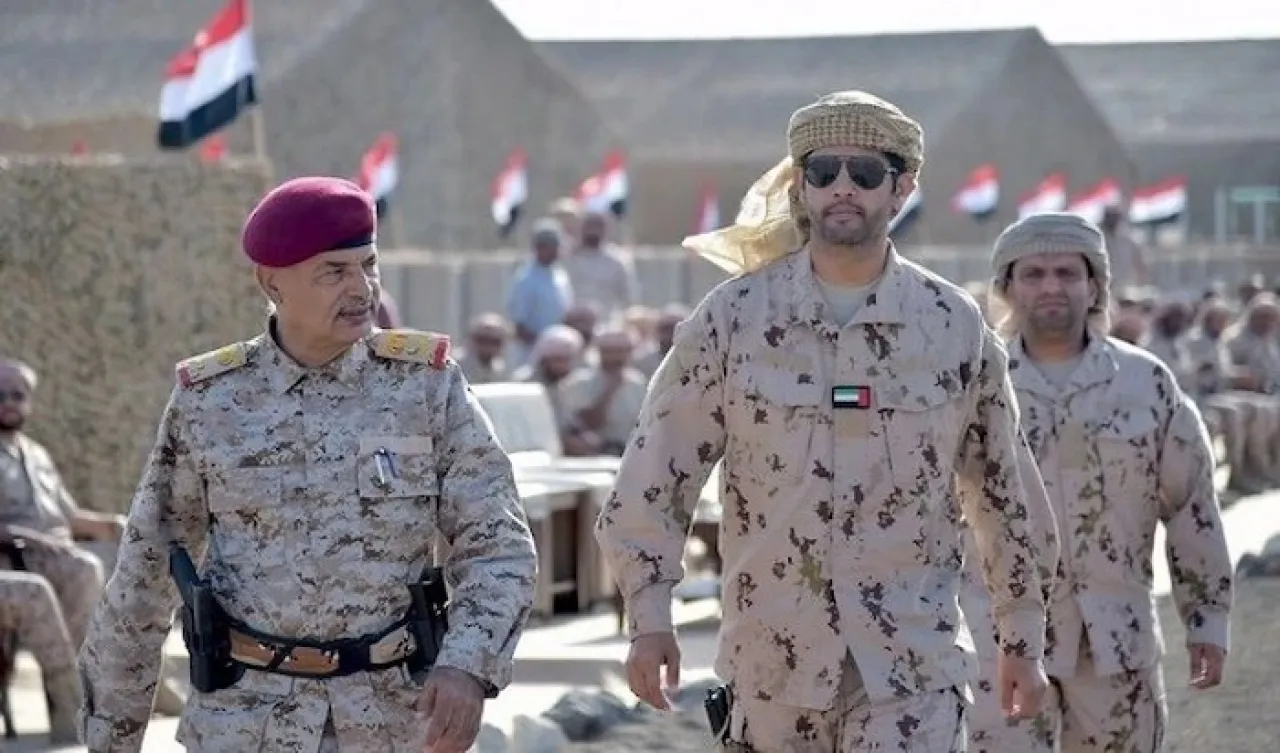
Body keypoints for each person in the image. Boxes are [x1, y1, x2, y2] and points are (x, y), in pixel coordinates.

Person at [596, 90, 1057, 752]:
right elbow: (654, 476)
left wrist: (1022, 637)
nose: (843, 187)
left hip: (910, 674)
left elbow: (1003, 492)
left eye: (865, 173)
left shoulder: (951, 325)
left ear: (901, 188)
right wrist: (648, 617)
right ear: (800, 186)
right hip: (773, 673)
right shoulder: (733, 319)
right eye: (823, 170)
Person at [76, 176, 538, 753]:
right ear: (272, 283)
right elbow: (147, 569)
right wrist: (111, 737)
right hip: (247, 724)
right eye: (334, 272)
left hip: (393, 720)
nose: (362, 288)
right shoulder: (211, 401)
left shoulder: (426, 387)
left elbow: (497, 544)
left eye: (369, 264)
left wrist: (467, 665)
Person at [963, 212, 1233, 753]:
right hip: (1002, 650)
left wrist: (1206, 617)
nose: (1051, 287)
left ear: (1094, 286)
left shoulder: (1146, 384)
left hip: (1116, 652)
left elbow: (1193, 509)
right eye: (1033, 274)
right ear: (1008, 288)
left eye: (1067, 272)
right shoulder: (971, 384)